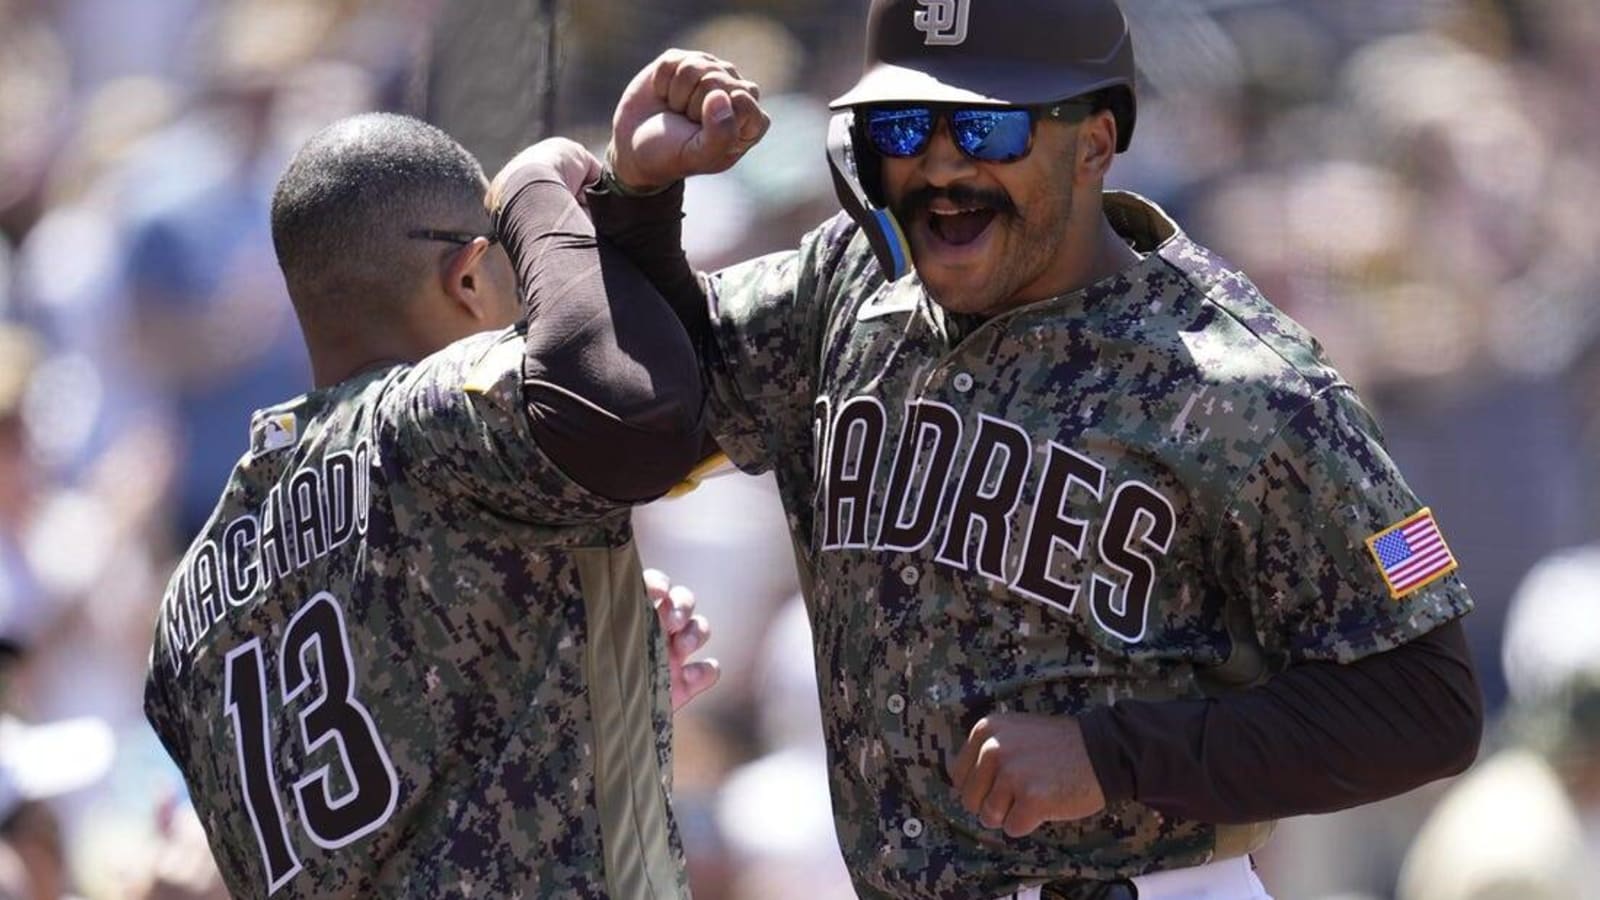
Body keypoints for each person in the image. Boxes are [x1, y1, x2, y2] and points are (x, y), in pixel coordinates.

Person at [591, 2, 1484, 897]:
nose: (941, 164)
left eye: (988, 126)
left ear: (1093, 143)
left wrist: (1114, 755)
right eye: (904, 125)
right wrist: (633, 201)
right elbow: (636, 404)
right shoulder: (847, 288)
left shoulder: (1240, 382)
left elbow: (1425, 707)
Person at [142, 113, 736, 898]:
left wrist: (577, 674)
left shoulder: (186, 604)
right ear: (467, 276)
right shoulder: (435, 420)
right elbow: (632, 405)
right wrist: (542, 192)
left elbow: (397, 796)